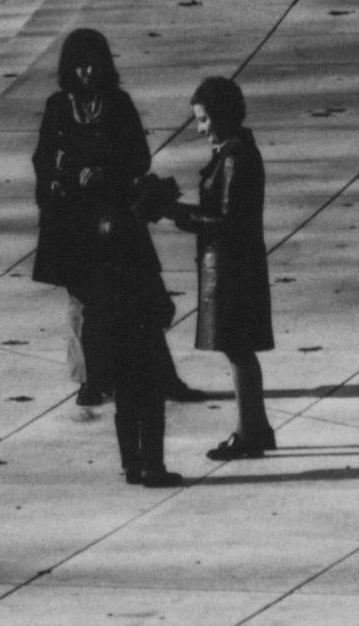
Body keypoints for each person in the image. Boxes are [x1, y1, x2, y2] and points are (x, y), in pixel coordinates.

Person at [30, 28, 188, 408]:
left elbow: (140, 157)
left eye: (92, 64)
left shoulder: (117, 103)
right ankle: (92, 379)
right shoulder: (58, 106)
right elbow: (43, 160)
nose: (86, 72)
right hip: (74, 222)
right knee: (86, 305)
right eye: (79, 65)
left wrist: (105, 171)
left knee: (139, 296)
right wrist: (63, 180)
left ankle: (161, 376)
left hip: (115, 216)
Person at [169, 75, 277, 461]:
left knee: (238, 350)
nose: (200, 128)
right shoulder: (235, 151)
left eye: (203, 119)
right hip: (235, 264)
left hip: (232, 267)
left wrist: (182, 216)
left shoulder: (234, 157)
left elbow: (229, 221)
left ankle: (249, 432)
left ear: (221, 115)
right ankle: (257, 426)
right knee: (239, 349)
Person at [80, 179, 185, 487]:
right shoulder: (131, 229)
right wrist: (162, 306)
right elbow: (147, 278)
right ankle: (153, 465)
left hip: (111, 326)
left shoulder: (108, 222)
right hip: (137, 326)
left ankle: (132, 464)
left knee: (126, 401)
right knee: (151, 400)